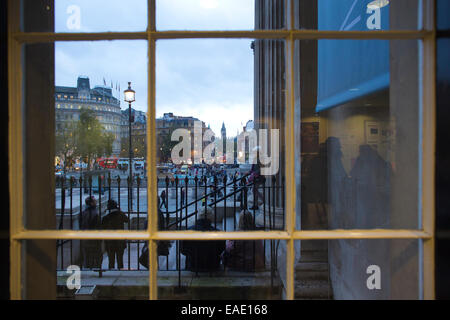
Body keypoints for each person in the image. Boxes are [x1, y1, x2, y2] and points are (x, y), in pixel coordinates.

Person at [180, 207, 225, 272]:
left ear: (199, 216)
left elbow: (183, 251)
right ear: (211, 217)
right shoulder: (218, 233)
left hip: (193, 267)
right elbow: (221, 250)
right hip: (212, 267)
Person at [102, 199, 129, 269]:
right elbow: (127, 220)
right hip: (119, 240)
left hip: (110, 241)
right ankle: (120, 270)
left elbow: (102, 227)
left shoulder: (106, 216)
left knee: (111, 260)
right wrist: (120, 210)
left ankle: (111, 271)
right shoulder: (120, 214)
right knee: (120, 259)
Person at [80, 196, 103, 269]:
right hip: (94, 238)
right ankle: (97, 269)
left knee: (87, 255)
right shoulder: (95, 213)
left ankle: (87, 268)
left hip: (85, 238)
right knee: (97, 255)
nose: (96, 202)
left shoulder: (83, 213)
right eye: (95, 201)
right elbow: (98, 227)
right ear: (92, 203)